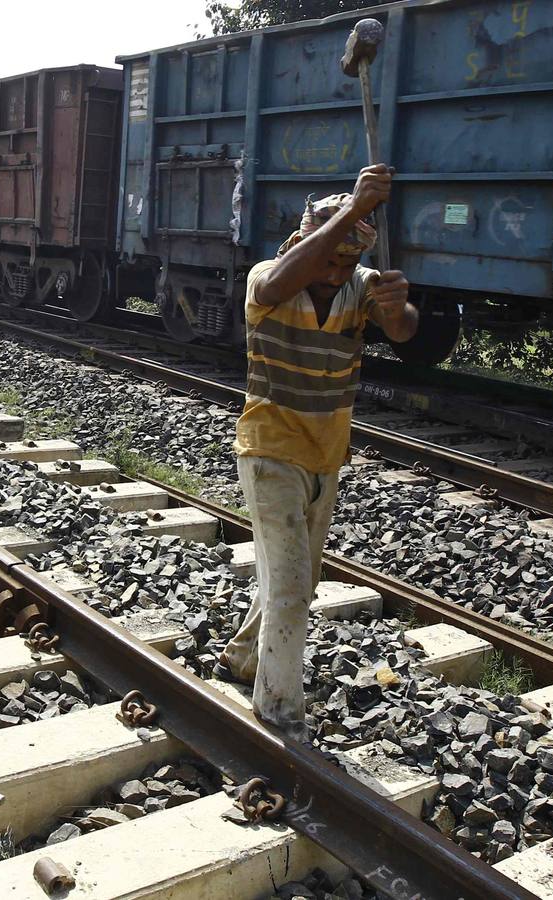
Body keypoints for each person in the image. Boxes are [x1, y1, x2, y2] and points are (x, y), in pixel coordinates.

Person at [216, 163, 418, 741]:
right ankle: (279, 712)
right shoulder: (268, 278)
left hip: (326, 456)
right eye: (328, 257)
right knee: (289, 585)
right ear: (304, 240)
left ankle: (242, 659)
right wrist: (356, 208)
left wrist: (400, 306)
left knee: (296, 581)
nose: (337, 272)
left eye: (347, 261)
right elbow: (279, 283)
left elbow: (402, 333)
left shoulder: (359, 286)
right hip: (270, 449)